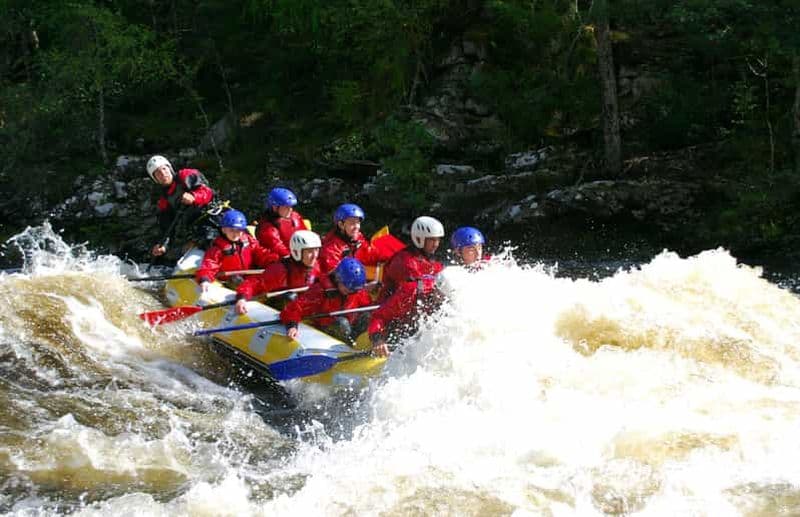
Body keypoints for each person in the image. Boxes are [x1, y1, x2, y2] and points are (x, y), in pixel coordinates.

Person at [280, 257, 374, 343]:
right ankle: (345, 343)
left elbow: (368, 305)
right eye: (348, 288)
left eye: (355, 290)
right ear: (338, 279)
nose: (352, 292)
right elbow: (295, 307)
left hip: (347, 329)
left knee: (368, 316)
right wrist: (292, 325)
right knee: (342, 324)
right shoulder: (321, 290)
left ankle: (352, 342)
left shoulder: (355, 291)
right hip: (323, 329)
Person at [234, 230, 322, 315]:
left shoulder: (316, 266)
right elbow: (253, 284)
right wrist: (241, 298)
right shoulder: (280, 270)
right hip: (279, 308)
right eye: (310, 251)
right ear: (296, 252)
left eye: (317, 250)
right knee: (291, 297)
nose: (315, 256)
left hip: (302, 308)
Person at [146, 155, 218, 257]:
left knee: (209, 237)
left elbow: (207, 192)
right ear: (155, 179)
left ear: (170, 168)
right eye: (157, 173)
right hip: (197, 228)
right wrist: (163, 245)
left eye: (164, 169)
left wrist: (194, 196)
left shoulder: (186, 175)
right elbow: (166, 227)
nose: (163, 173)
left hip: (212, 217)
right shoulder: (164, 201)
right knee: (183, 250)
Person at [194, 209, 277, 292]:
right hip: (230, 281)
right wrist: (204, 279)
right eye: (231, 230)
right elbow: (209, 264)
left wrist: (273, 260)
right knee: (236, 281)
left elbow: (260, 252)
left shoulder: (248, 240)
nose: (235, 234)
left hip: (249, 275)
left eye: (238, 231)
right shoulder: (218, 248)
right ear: (224, 230)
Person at [368, 275, 446, 357]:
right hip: (402, 332)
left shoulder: (452, 302)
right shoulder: (410, 293)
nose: (443, 301)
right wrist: (377, 339)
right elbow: (378, 317)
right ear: (435, 289)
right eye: (442, 297)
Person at [318, 203, 394, 285]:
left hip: (358, 283)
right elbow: (335, 279)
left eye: (358, 223)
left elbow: (370, 253)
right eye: (352, 223)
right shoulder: (331, 248)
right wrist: (364, 287)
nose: (356, 227)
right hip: (342, 290)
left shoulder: (357, 238)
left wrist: (388, 258)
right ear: (341, 225)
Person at [379, 216, 445, 300]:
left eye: (438, 239)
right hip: (391, 308)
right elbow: (416, 288)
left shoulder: (431, 260)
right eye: (432, 240)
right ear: (418, 238)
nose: (436, 244)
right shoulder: (404, 261)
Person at [255, 187, 309, 259]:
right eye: (286, 207)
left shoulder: (295, 216)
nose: (290, 210)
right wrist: (297, 258)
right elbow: (277, 247)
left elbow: (306, 235)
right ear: (275, 207)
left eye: (291, 206)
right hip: (282, 261)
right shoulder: (266, 226)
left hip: (298, 256)